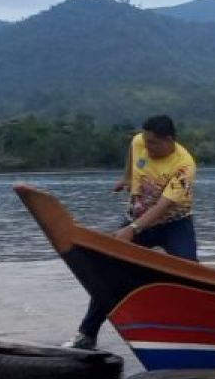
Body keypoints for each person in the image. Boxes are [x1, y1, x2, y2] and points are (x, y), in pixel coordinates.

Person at [65, 115, 198, 349]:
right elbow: (133, 152)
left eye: (153, 144)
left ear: (169, 140)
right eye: (145, 142)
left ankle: (194, 333)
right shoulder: (139, 141)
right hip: (134, 218)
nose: (146, 147)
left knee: (190, 273)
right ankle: (87, 335)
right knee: (107, 273)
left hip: (173, 224)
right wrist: (126, 177)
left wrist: (132, 230)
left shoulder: (184, 166)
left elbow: (162, 207)